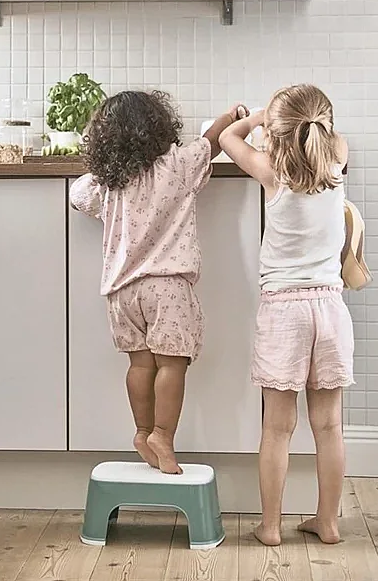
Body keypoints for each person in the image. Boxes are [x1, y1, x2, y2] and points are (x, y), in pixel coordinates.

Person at [70, 90, 247, 475]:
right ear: (159, 127)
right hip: (167, 286)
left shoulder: (107, 181)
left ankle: (142, 431)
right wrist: (232, 116)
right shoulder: (177, 164)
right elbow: (212, 141)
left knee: (140, 364)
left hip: (121, 292)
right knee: (172, 364)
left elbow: (77, 195)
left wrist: (103, 170)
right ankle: (163, 436)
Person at [220, 84, 353, 546]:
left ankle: (272, 527)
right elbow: (319, 139)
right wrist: (280, 125)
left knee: (278, 428)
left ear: (276, 133)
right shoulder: (337, 155)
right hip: (331, 308)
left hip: (284, 311)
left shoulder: (269, 170)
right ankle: (328, 522)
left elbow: (227, 139)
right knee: (329, 426)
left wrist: (253, 118)